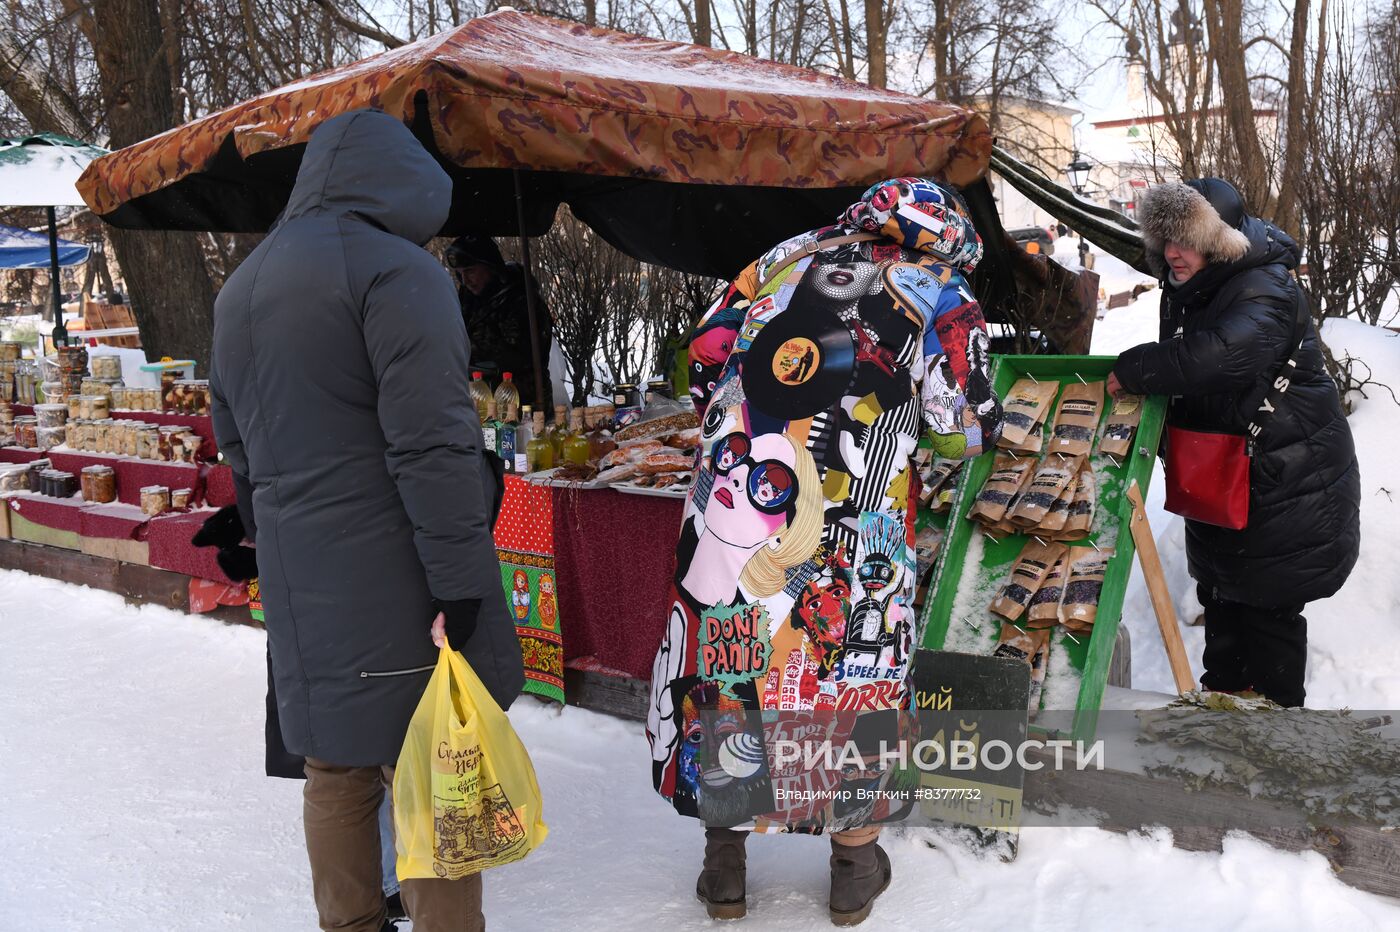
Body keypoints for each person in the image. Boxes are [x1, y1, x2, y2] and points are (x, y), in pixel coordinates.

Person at [646, 178, 1003, 926]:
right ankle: (851, 867)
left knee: (731, 661)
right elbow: (958, 422)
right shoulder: (941, 290)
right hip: (851, 520)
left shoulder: (780, 257)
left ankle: (725, 869)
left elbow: (706, 355)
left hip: (734, 500)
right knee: (852, 680)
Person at [209, 108, 524, 932]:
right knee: (433, 770)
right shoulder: (396, 273)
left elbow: (236, 445)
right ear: (402, 181)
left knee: (334, 768)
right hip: (398, 578)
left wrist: (272, 534)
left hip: (301, 579)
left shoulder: (241, 287)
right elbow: (434, 447)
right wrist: (460, 586)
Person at [1109, 178, 1360, 708]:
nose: (1172, 253)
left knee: (1269, 615)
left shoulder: (1265, 285)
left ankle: (1277, 738)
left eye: (1185, 240)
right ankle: (1225, 711)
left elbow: (1220, 356)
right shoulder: (1190, 285)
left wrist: (1138, 369)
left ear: (1217, 240)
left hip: (1286, 479)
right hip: (1227, 475)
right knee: (1222, 600)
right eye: (1164, 240)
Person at [445, 234, 554, 409]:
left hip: (523, 404)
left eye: (471, 271)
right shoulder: (469, 299)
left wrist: (470, 349)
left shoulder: (521, 300)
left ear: (490, 267)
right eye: (460, 274)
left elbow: (524, 356)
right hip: (481, 400)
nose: (465, 281)